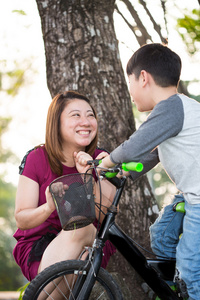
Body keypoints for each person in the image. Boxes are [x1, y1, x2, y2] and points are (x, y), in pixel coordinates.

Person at [94, 43, 200, 300]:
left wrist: (107, 163)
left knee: (190, 267)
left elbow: (136, 145)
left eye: (129, 81)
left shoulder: (171, 107)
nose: (129, 91)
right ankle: (173, 289)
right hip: (190, 194)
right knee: (161, 235)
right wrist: (127, 174)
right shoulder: (178, 110)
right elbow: (153, 153)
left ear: (143, 78)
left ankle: (189, 287)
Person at [13, 91, 116, 283]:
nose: (85, 121)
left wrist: (88, 177)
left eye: (90, 115)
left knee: (83, 238)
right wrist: (49, 207)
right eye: (76, 115)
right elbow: (22, 219)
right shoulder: (36, 158)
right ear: (56, 122)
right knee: (81, 260)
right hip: (41, 247)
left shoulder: (102, 159)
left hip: (90, 242)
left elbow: (106, 216)